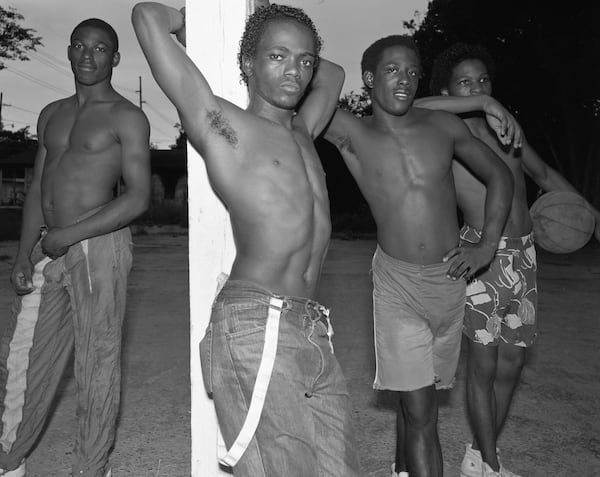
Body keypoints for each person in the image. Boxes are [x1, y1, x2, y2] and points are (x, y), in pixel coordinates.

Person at [132, 2, 361, 476]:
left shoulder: (304, 130)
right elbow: (146, 16)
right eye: (276, 57)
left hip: (310, 325)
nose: (295, 71)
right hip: (257, 321)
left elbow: (334, 72)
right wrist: (215, 25)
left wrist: (270, 24)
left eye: (303, 61)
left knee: (342, 468)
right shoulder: (226, 127)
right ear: (247, 64)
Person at [322, 35, 514, 477]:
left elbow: (499, 174)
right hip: (397, 285)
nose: (404, 80)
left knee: (418, 397)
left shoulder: (442, 128)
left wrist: (487, 243)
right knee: (424, 411)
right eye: (391, 70)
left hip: (450, 282)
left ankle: (400, 469)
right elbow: (306, 86)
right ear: (368, 79)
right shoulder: (352, 131)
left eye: (412, 71)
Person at [421, 42, 600, 477]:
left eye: (483, 80)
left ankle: (480, 455)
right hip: (482, 256)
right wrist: (478, 101)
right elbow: (411, 104)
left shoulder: (507, 130)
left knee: (513, 363)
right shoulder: (447, 130)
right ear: (449, 91)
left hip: (523, 257)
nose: (478, 87)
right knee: (482, 366)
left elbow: (541, 176)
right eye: (465, 82)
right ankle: (493, 465)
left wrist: (588, 212)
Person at [0, 18, 150, 477]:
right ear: (68, 51)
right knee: (24, 353)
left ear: (115, 58)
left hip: (99, 246)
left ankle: (91, 467)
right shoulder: (51, 113)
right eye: (81, 46)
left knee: (96, 360)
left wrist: (70, 235)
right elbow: (39, 189)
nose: (89, 55)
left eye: (100, 48)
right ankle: (10, 459)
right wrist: (26, 253)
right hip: (50, 247)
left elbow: (138, 197)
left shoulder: (127, 116)